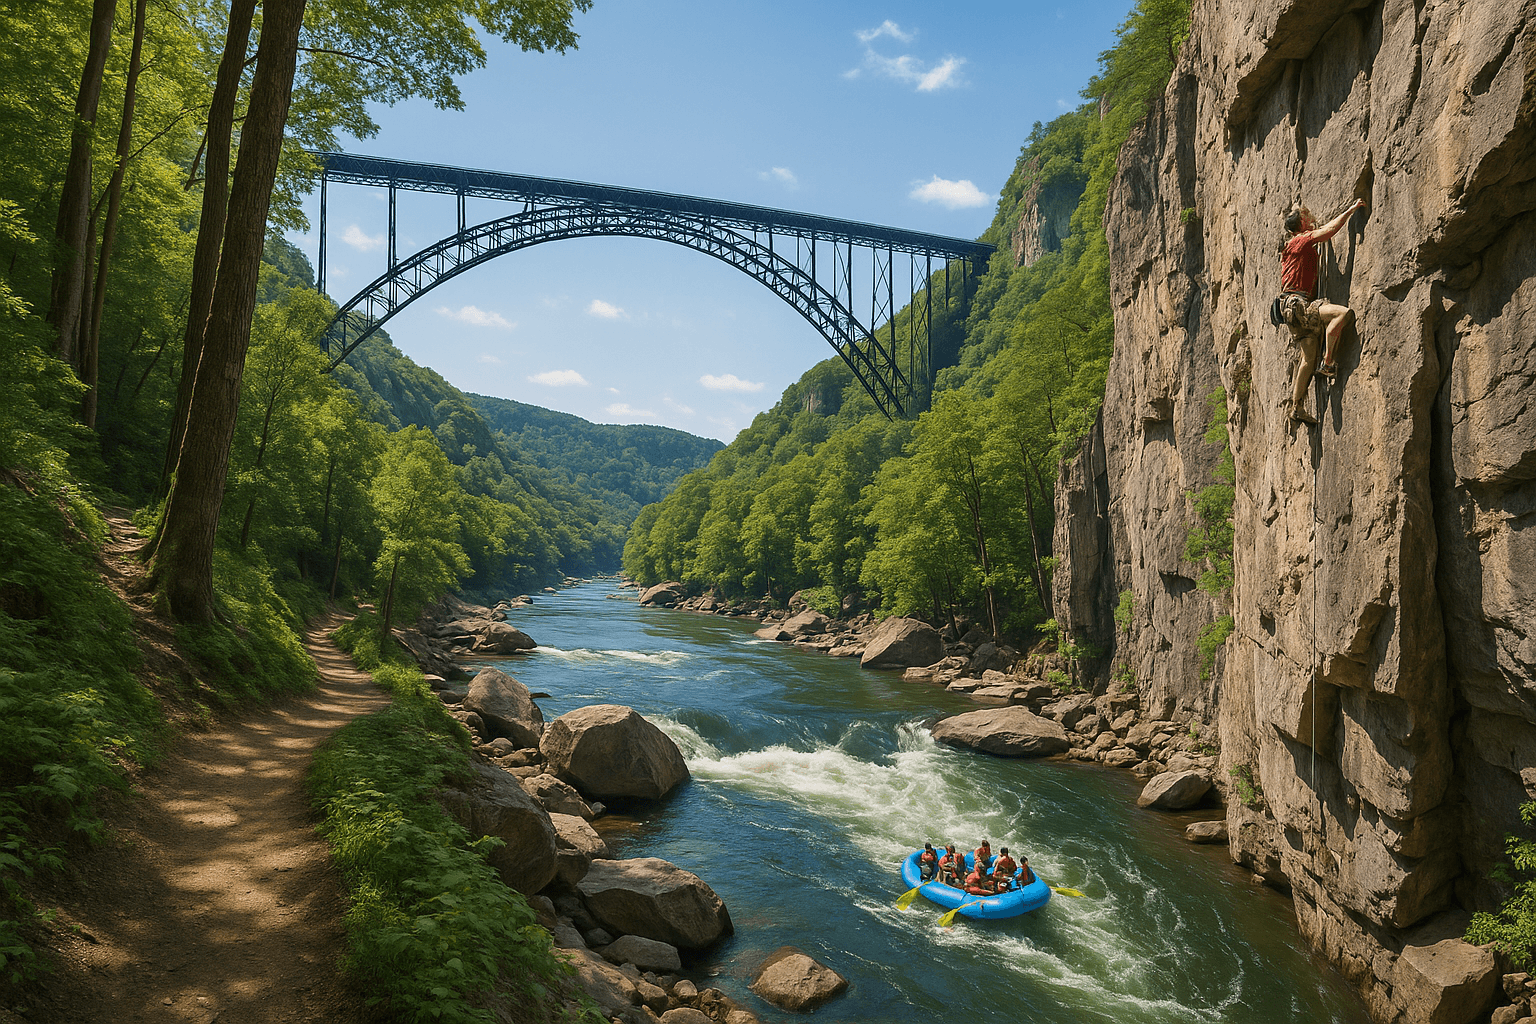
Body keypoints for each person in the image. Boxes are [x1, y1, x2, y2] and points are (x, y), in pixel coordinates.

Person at [1279, 197, 1367, 423]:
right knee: (1342, 314)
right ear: (1301, 225)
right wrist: (1350, 210)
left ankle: (1296, 407)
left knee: (1307, 359)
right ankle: (1328, 363)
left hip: (1291, 309)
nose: (1311, 219)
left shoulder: (1292, 246)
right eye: (1307, 217)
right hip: (1299, 305)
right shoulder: (1301, 240)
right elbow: (1328, 231)